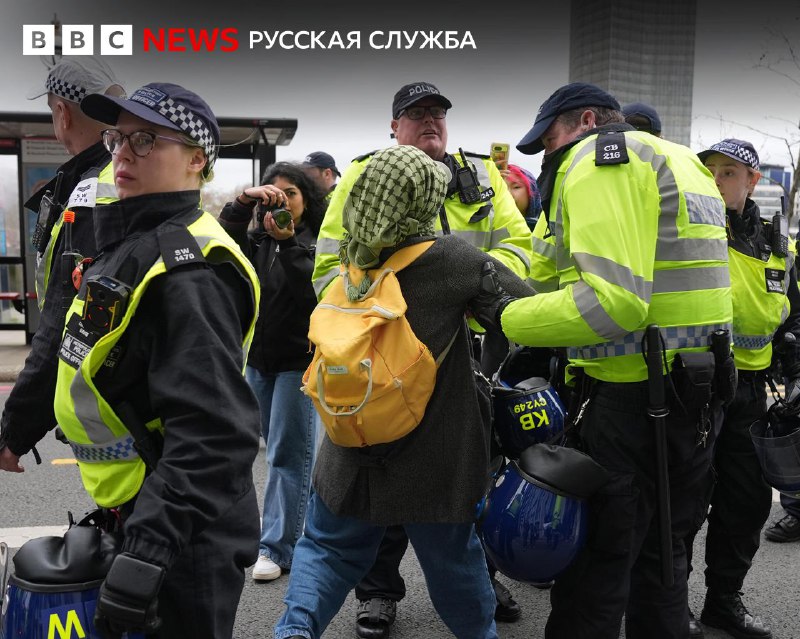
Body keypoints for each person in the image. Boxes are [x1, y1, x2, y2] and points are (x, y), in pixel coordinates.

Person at [471, 82, 733, 639]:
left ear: (587, 120)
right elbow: (542, 265)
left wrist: (504, 320)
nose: (546, 157)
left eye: (548, 141)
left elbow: (613, 302)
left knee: (597, 570)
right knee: (665, 558)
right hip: (699, 396)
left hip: (630, 400)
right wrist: (498, 287)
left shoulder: (600, 159)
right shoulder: (681, 161)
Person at [273, 144, 535, 639]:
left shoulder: (351, 259)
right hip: (434, 455)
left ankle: (293, 631)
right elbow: (525, 311)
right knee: (454, 564)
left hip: (351, 443)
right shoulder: (455, 258)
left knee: (327, 549)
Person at [51, 82, 262, 637]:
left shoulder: (189, 271)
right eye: (119, 137)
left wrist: (147, 551)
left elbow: (216, 433)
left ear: (198, 161)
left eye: (146, 140)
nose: (121, 151)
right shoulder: (134, 242)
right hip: (148, 508)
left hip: (183, 533)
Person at [684, 138, 800, 639]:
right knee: (683, 504)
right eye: (709, 170)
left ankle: (723, 601)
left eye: (729, 172)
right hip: (696, 387)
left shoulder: (778, 244)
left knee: (747, 504)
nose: (716, 179)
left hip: (752, 392)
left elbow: (791, 314)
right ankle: (668, 603)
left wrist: (794, 361)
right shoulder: (686, 233)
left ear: (752, 181)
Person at [0, 56, 124, 473]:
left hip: (112, 399)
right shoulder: (124, 172)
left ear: (62, 112)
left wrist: (14, 431)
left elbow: (63, 318)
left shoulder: (90, 191)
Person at [219, 162, 326, 582]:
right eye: (271, 195)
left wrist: (288, 245)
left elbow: (313, 294)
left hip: (298, 362)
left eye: (290, 195)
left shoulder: (315, 241)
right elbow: (220, 245)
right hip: (258, 361)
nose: (279, 202)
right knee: (274, 453)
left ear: (307, 200)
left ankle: (278, 547)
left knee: (287, 455)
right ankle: (302, 533)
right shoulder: (258, 239)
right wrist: (244, 203)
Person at [500, 164, 542, 230]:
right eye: (501, 188)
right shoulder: (486, 226)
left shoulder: (547, 227)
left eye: (516, 187)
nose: (508, 194)